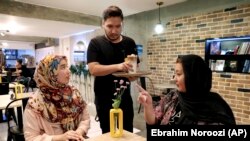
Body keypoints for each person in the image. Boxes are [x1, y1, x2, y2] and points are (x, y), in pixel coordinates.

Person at [137, 54, 235, 125]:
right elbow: (153, 121)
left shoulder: (215, 106)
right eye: (175, 74)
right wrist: (148, 105)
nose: (174, 78)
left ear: (193, 77)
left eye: (178, 74)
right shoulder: (173, 97)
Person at [87, 5, 139, 133]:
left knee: (127, 132)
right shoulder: (95, 43)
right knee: (108, 132)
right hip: (103, 98)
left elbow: (133, 75)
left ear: (122, 24)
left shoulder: (130, 43)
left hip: (124, 98)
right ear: (103, 24)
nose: (114, 31)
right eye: (110, 26)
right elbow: (93, 69)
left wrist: (133, 74)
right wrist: (119, 66)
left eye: (118, 26)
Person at [23, 55, 90, 141]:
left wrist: (79, 132)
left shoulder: (74, 92)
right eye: (63, 67)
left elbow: (85, 119)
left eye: (67, 66)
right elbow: (31, 138)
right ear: (49, 73)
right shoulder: (35, 103)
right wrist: (58, 138)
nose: (68, 71)